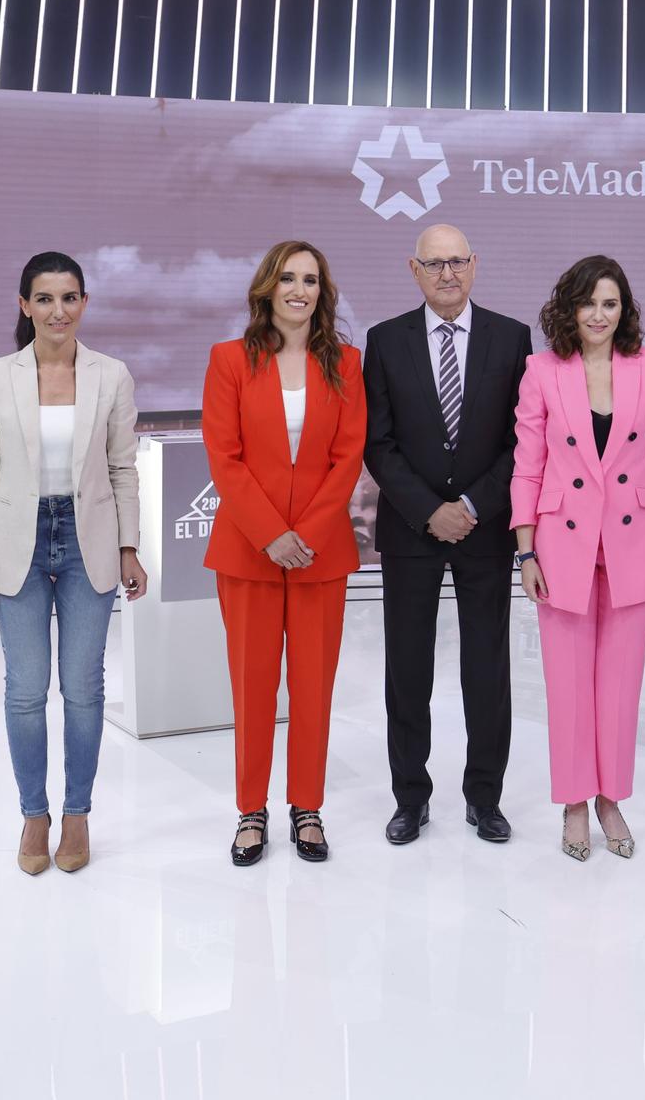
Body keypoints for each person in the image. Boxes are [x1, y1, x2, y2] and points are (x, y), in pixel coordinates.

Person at [0, 251, 149, 876]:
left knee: (85, 688)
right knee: (25, 690)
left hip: (87, 538)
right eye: (44, 298)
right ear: (23, 305)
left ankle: (77, 815)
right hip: (18, 540)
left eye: (69, 297)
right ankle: (33, 816)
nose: (57, 310)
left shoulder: (112, 375)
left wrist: (129, 547)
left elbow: (123, 468)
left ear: (84, 303)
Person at [363, 224, 533, 845]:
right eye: (433, 264)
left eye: (457, 261)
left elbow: (523, 440)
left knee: (486, 669)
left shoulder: (512, 338)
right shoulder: (384, 341)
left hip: (483, 530)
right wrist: (429, 510)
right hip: (411, 530)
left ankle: (484, 797)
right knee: (408, 669)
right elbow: (377, 443)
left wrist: (471, 505)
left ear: (475, 264)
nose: (447, 274)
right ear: (414, 270)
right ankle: (410, 797)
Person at [510, 256, 645, 862]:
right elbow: (527, 466)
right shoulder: (541, 371)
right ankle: (575, 803)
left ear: (624, 310)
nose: (599, 314)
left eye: (610, 303)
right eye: (588, 303)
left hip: (635, 545)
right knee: (568, 684)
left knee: (620, 685)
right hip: (562, 546)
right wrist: (525, 548)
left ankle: (612, 798)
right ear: (569, 309)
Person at [202, 241, 367, 866]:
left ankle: (307, 807)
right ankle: (250, 810)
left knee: (313, 687)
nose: (300, 290)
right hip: (249, 552)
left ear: (322, 293)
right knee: (252, 687)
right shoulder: (229, 360)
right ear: (268, 286)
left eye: (312, 280)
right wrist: (271, 532)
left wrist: (312, 532)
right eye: (289, 278)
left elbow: (348, 457)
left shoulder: (345, 364)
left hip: (320, 555)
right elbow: (226, 456)